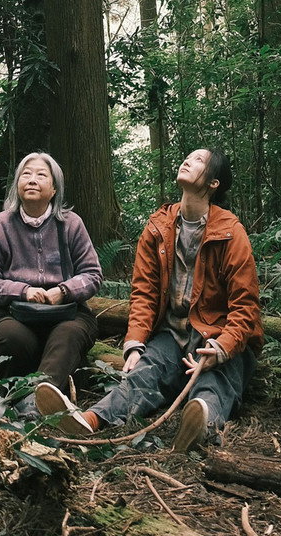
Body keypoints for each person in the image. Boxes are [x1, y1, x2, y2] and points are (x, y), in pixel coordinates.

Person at [36, 147, 261, 451]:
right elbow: (144, 292)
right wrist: (135, 344)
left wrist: (221, 348)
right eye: (188, 156)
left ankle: (199, 424)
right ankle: (88, 421)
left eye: (198, 160)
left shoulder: (231, 232)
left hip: (217, 334)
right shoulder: (159, 227)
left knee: (216, 382)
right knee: (144, 371)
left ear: (213, 183)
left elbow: (245, 306)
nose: (188, 160)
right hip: (172, 334)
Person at [0, 152, 102, 408]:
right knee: (12, 337)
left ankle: (34, 405)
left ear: (54, 189)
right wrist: (23, 291)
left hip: (67, 314)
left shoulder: (71, 224)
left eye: (41, 175)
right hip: (15, 314)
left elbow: (93, 274)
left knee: (69, 335)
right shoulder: (1, 225)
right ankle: (11, 399)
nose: (32, 180)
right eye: (26, 174)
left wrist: (64, 291)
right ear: (17, 185)